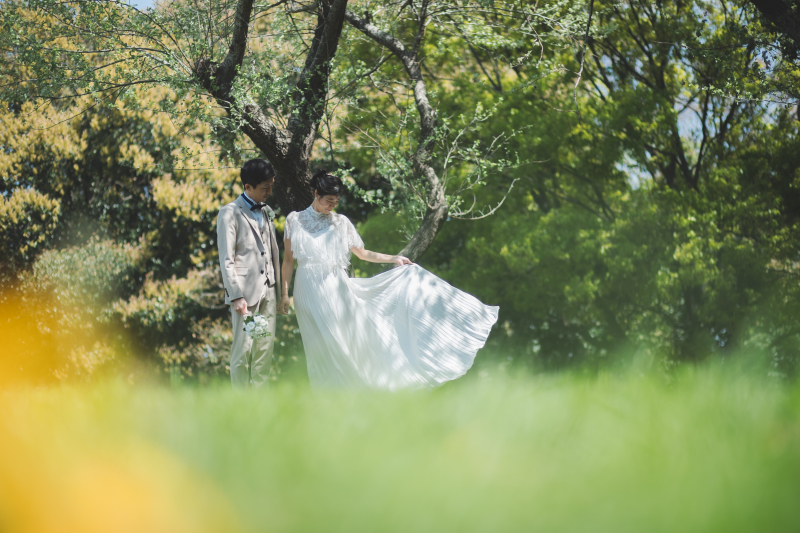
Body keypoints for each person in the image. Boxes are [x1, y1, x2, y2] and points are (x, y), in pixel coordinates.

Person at [278, 170, 499, 390]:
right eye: (329, 201)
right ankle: (324, 394)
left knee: (340, 341)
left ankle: (354, 390)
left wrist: (394, 258)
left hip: (335, 289)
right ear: (316, 194)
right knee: (316, 346)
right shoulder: (294, 220)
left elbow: (363, 253)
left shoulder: (341, 222)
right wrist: (285, 295)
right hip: (306, 290)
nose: (332, 206)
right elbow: (288, 261)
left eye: (336, 201)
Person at [217, 159, 281, 388]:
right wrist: (236, 295)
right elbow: (226, 258)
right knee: (243, 350)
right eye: (265, 187)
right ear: (248, 187)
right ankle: (240, 401)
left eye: (271, 186)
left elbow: (272, 251)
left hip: (268, 291)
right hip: (244, 294)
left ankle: (260, 401)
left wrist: (279, 291)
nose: (269, 192)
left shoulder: (266, 210)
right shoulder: (229, 213)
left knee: (264, 349)